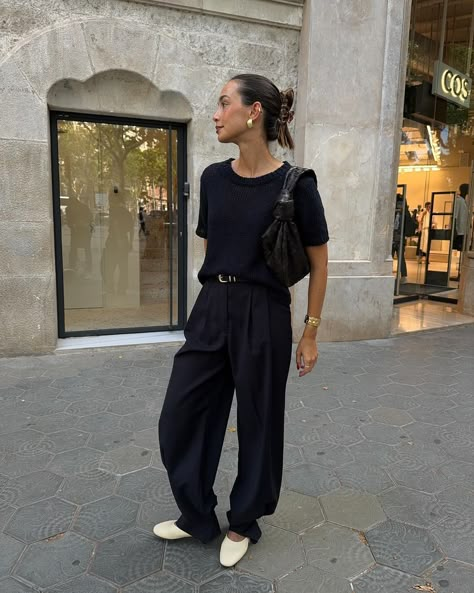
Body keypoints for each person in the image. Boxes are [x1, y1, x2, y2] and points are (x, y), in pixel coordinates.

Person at [155, 74, 329, 567]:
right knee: (181, 416)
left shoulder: (297, 184)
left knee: (258, 420)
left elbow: (319, 262)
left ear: (253, 113)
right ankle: (197, 515)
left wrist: (310, 331)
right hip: (212, 308)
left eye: (223, 102)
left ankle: (244, 520)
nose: (215, 113)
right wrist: (219, 293)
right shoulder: (213, 178)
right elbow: (213, 245)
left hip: (265, 312)